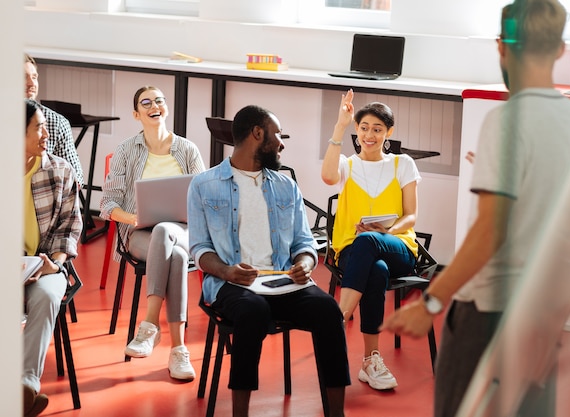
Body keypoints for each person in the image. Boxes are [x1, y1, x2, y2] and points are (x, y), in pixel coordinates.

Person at [381, 1, 570, 416]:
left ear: (502, 47)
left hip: (490, 315)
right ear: (560, 50)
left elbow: (491, 231)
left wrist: (431, 303)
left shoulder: (507, 121)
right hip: (542, 315)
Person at [188, 105, 351, 417]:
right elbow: (199, 248)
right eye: (278, 135)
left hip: (283, 284)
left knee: (329, 310)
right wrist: (227, 272)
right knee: (253, 310)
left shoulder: (285, 185)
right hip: (231, 284)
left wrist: (305, 262)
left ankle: (336, 414)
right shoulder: (203, 185)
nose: (281, 143)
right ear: (257, 134)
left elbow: (304, 242)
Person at [100, 85, 205, 380]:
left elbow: (205, 198)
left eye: (159, 100)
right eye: (146, 102)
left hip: (185, 230)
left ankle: (148, 327)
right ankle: (178, 350)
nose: (154, 105)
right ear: (136, 114)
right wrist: (132, 218)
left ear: (166, 108)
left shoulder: (188, 149)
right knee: (176, 255)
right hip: (140, 234)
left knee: (167, 234)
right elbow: (107, 204)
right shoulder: (125, 150)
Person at [320, 90, 421, 391]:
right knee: (375, 269)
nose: (370, 134)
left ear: (389, 132)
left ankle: (337, 319)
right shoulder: (347, 166)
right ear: (357, 130)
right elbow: (327, 176)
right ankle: (370, 360)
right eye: (363, 128)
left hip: (398, 246)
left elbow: (411, 216)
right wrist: (339, 125)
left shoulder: (403, 164)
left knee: (371, 243)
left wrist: (384, 234)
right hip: (354, 249)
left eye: (377, 129)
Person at [23, 99, 83, 417]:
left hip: (47, 265)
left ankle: (25, 386)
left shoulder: (60, 170)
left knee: (47, 296)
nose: (47, 132)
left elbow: (70, 229)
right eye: (38, 127)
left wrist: (54, 264)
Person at [24, 53, 84, 186]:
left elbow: (76, 178)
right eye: (23, 77)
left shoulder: (56, 122)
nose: (32, 83)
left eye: (34, 77)